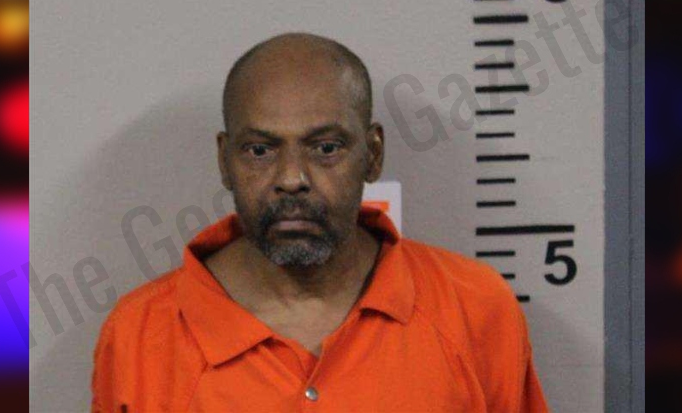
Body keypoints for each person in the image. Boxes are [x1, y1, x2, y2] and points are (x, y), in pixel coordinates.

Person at [91, 33, 549, 412]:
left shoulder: (476, 310)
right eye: (260, 150)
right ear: (225, 161)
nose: (292, 178)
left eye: (326, 148)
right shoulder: (139, 338)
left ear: (372, 155)